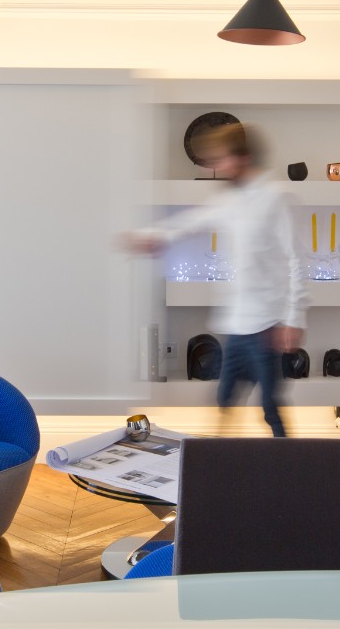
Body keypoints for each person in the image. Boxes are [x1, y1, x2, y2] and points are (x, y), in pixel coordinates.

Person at [122, 122, 306, 436]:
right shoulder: (229, 200)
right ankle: (221, 462)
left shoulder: (276, 198)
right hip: (236, 325)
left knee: (271, 408)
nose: (218, 167)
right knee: (224, 399)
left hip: (266, 325)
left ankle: (288, 464)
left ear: (243, 157)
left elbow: (297, 260)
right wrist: (153, 237)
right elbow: (191, 222)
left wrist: (294, 319)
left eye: (222, 159)